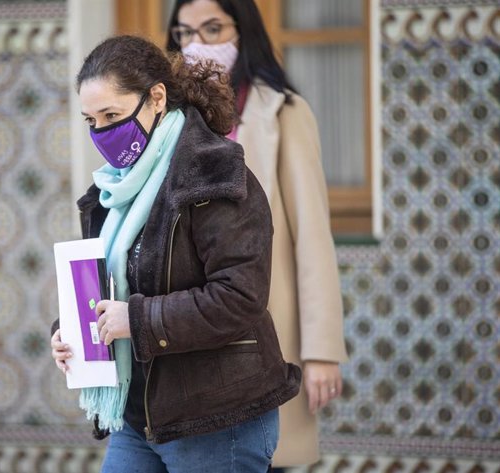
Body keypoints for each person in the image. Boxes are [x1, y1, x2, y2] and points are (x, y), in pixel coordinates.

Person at [50, 34, 301, 472]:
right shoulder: (111, 193)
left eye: (112, 114)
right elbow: (114, 283)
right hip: (140, 417)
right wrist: (72, 330)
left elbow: (239, 297)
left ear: (156, 98)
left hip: (218, 418)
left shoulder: (215, 174)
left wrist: (137, 319)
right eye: (91, 120)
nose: (102, 132)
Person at [166, 0, 349, 468]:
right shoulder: (167, 122)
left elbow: (312, 236)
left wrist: (322, 351)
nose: (197, 45)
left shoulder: (283, 113)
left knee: (267, 455)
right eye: (185, 33)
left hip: (267, 325)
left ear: (242, 32)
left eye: (212, 29)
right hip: (193, 331)